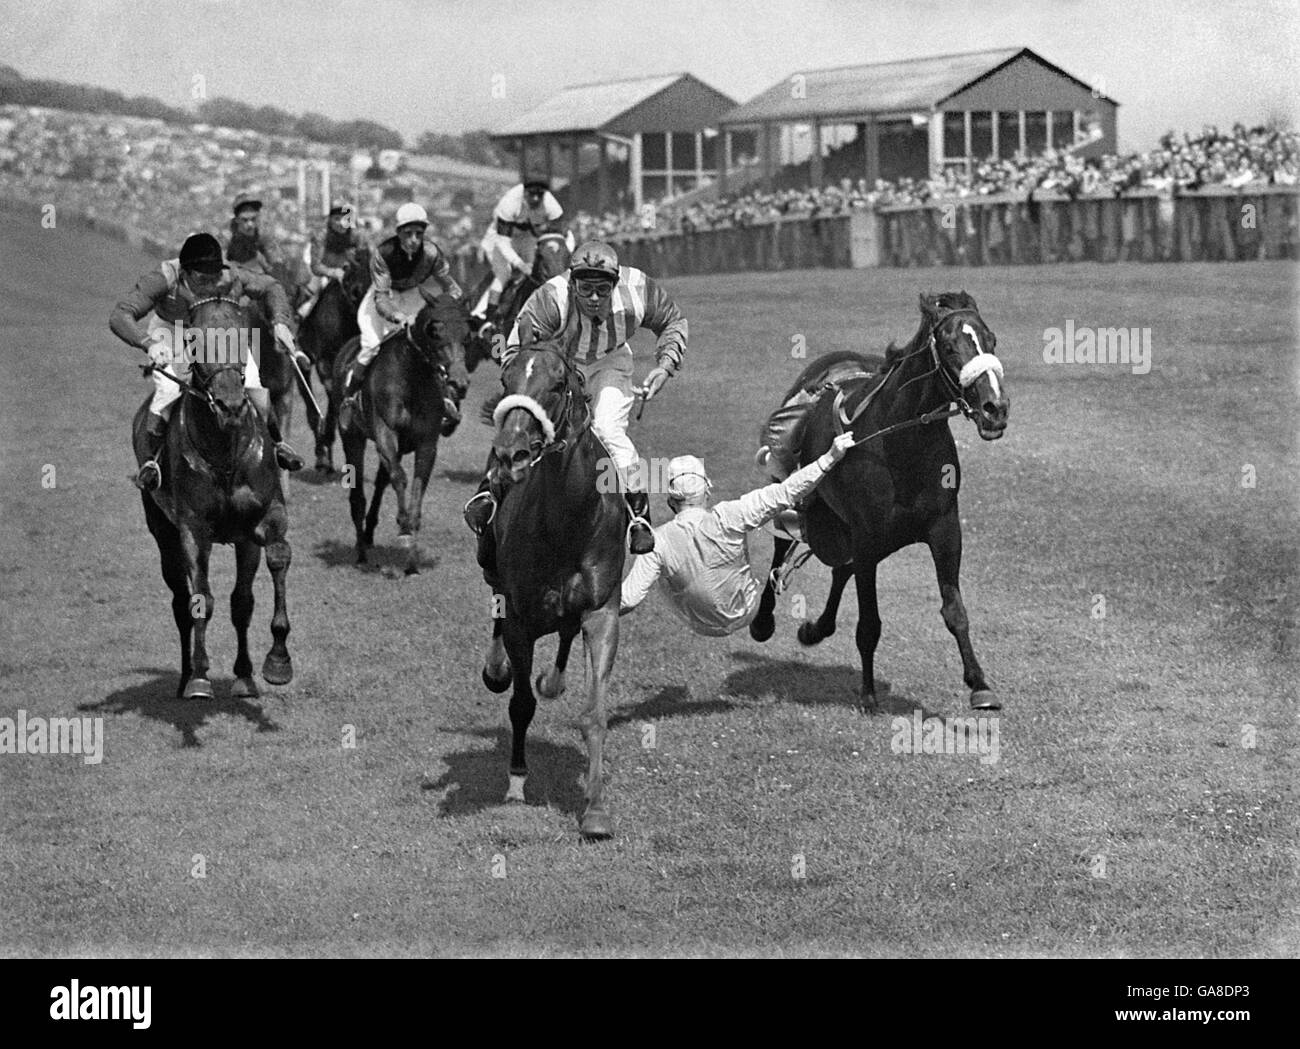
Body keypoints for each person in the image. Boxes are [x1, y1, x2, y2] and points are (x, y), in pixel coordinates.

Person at [463, 240, 686, 558]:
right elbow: (515, 350)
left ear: (615, 283)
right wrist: (525, 389)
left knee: (607, 431)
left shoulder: (638, 290)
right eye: (585, 289)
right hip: (560, 363)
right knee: (524, 423)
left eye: (602, 289)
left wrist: (665, 366)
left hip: (611, 361)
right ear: (572, 283)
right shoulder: (551, 297)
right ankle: (488, 492)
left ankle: (638, 516)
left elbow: (673, 320)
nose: (594, 298)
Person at [110, 232, 306, 489]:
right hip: (173, 328)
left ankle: (278, 444)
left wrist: (280, 322)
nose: (213, 282)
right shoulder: (163, 277)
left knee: (254, 384)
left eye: (215, 275)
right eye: (203, 278)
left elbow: (271, 286)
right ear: (185, 272)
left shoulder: (230, 274)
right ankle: (153, 461)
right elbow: (121, 314)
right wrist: (149, 344)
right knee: (170, 388)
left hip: (216, 326)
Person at [620, 433, 855, 635]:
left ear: (671, 501)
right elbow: (788, 491)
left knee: (659, 562)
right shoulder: (731, 514)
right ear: (708, 490)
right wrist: (830, 457)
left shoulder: (658, 540)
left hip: (697, 623)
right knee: (775, 516)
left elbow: (628, 600)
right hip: (746, 611)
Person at [341, 202, 464, 411]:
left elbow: (453, 289)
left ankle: (444, 398)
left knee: (430, 345)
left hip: (413, 297)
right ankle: (350, 398)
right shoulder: (383, 253)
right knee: (371, 346)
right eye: (408, 234)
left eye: (418, 233)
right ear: (398, 232)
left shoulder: (432, 253)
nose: (413, 240)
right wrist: (396, 316)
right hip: (382, 299)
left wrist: (446, 306)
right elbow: (381, 298)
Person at [473, 173, 566, 324]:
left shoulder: (552, 205)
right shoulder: (509, 203)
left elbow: (564, 237)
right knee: (504, 274)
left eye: (539, 195)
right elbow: (503, 242)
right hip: (501, 238)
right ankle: (487, 321)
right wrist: (520, 264)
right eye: (531, 194)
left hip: (528, 237)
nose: (535, 198)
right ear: (524, 192)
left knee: (542, 273)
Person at [298, 201, 366, 319]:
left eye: (345, 219)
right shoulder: (320, 236)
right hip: (324, 272)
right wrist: (334, 272)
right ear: (330, 220)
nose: (341, 223)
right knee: (312, 289)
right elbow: (315, 266)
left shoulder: (357, 235)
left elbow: (364, 260)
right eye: (337, 219)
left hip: (350, 272)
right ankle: (299, 317)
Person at [221, 192, 285, 276]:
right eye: (245, 220)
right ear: (237, 219)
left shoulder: (263, 235)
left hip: (260, 277)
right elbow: (220, 262)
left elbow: (276, 262)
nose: (250, 224)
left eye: (253, 219)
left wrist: (265, 264)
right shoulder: (228, 236)